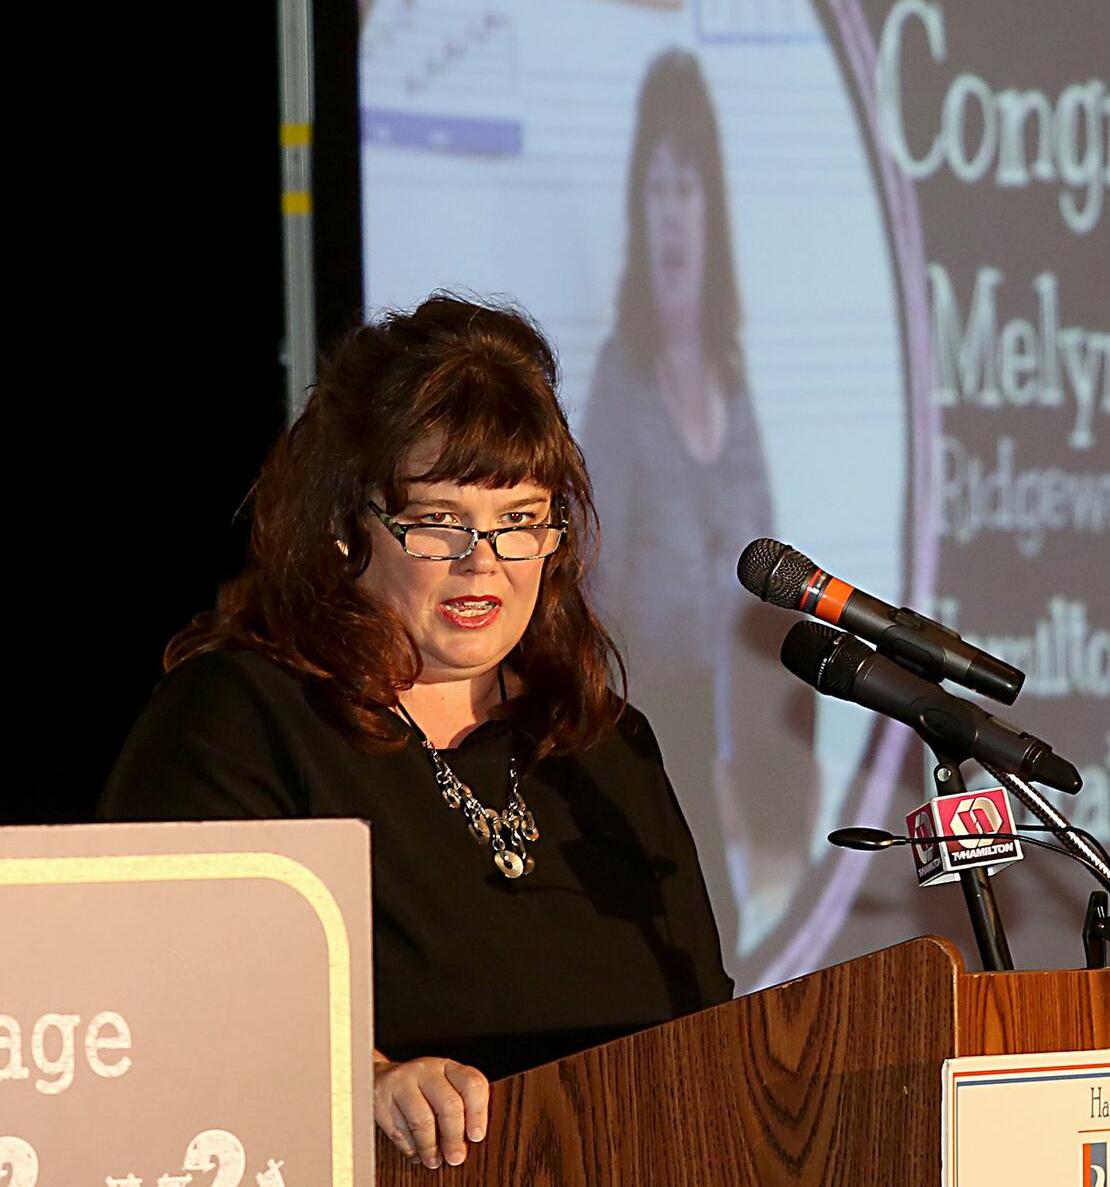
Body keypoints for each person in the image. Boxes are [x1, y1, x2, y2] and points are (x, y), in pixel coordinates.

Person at [98, 295, 732, 1169]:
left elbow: (705, 1027)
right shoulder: (242, 719)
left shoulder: (600, 745)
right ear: (345, 527)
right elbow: (149, 1009)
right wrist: (362, 1082)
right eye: (439, 521)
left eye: (520, 520)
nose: (485, 561)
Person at [582, 49, 817, 954]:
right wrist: (702, 764)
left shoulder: (734, 379)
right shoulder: (619, 384)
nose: (673, 212)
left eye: (689, 188)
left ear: (714, 210)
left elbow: (773, 600)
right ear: (639, 216)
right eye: (657, 188)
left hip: (761, 792)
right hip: (662, 780)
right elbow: (592, 610)